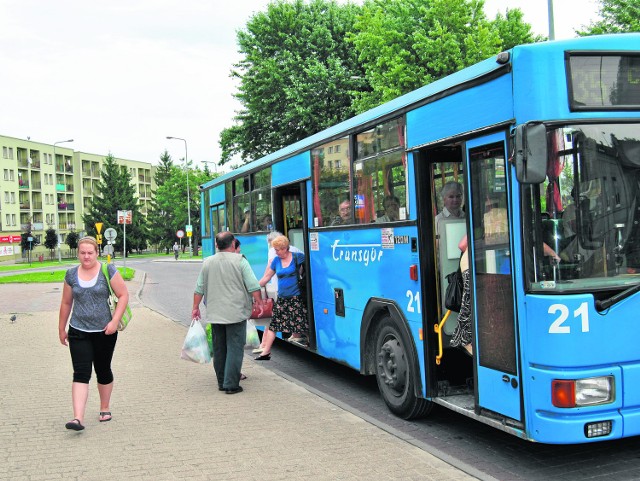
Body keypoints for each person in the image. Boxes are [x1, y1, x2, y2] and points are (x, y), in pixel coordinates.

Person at [58, 236, 129, 431]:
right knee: (81, 373)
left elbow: (123, 295)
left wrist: (114, 322)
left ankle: (104, 407)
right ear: (78, 253)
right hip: (78, 330)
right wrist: (61, 328)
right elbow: (66, 303)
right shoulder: (71, 274)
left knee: (103, 369)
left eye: (90, 253)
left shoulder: (108, 270)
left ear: (97, 253)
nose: (86, 256)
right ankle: (77, 418)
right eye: (82, 253)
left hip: (105, 331)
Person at [192, 231, 262, 394]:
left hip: (215, 313)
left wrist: (195, 308)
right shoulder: (240, 260)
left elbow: (199, 288)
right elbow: (253, 285)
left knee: (219, 348)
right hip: (236, 312)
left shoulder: (207, 262)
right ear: (232, 244)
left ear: (216, 245)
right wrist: (258, 303)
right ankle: (231, 384)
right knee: (235, 348)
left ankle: (221, 382)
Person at [254, 235, 308, 360]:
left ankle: (312, 341)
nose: (275, 252)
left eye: (277, 249)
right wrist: (254, 287)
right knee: (274, 325)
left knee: (301, 324)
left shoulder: (297, 257)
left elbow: (311, 265)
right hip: (283, 297)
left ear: (284, 248)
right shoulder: (276, 261)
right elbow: (267, 277)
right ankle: (266, 352)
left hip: (296, 297)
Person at [450, 235, 472, 356]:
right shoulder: (478, 222)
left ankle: (462, 339)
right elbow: (462, 245)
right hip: (469, 265)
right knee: (468, 302)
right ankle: (462, 340)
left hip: (474, 263)